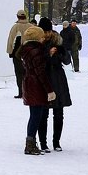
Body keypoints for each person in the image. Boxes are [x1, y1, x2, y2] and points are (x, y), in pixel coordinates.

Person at [18, 25, 54, 155]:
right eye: (41, 36)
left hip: (29, 84)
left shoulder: (26, 50)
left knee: (33, 115)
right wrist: (50, 90)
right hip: (36, 86)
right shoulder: (36, 51)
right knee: (36, 116)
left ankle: (31, 142)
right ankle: (30, 144)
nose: (44, 38)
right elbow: (40, 72)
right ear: (37, 38)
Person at [38, 18, 72, 152]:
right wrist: (48, 54)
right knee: (43, 113)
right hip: (44, 79)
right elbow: (36, 61)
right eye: (44, 31)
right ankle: (43, 142)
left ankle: (56, 142)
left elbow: (67, 61)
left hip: (58, 79)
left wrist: (60, 52)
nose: (46, 34)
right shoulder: (38, 43)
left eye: (47, 31)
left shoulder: (58, 41)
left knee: (58, 113)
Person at [5, 9, 31, 98]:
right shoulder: (31, 26)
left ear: (18, 16)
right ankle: (29, 92)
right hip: (29, 54)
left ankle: (21, 92)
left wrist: (10, 52)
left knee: (19, 73)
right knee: (28, 73)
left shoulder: (15, 27)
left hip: (17, 54)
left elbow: (11, 40)